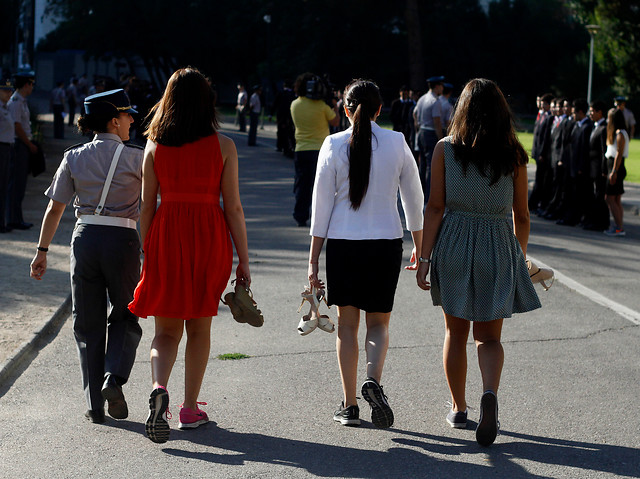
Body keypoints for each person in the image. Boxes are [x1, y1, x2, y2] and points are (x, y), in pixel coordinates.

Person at [127, 67, 251, 443]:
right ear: (207, 102)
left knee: (165, 331)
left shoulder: (154, 145)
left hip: (166, 234)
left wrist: (145, 250)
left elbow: (146, 206)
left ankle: (157, 388)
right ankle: (190, 408)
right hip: (209, 236)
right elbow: (233, 208)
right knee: (199, 327)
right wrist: (243, 259)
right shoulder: (224, 146)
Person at [416, 79, 541, 447]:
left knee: (455, 333)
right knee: (488, 337)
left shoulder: (445, 149)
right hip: (497, 244)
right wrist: (517, 255)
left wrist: (424, 256)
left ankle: (458, 408)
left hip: (454, 241)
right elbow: (523, 214)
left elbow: (435, 207)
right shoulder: (514, 154)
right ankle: (490, 393)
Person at [308, 79, 423, 428]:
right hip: (386, 243)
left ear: (345, 109)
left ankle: (349, 404)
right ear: (379, 110)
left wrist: (313, 261)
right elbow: (413, 200)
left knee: (347, 327)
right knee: (378, 322)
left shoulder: (332, 144)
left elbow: (320, 207)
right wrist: (420, 245)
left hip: (343, 245)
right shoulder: (397, 142)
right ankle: (373, 379)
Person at [29, 89, 144, 424]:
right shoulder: (138, 157)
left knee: (87, 323)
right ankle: (114, 377)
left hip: (85, 240)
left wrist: (42, 251)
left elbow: (55, 208)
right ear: (113, 120)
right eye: (127, 115)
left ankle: (94, 405)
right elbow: (152, 206)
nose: (132, 120)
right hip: (123, 240)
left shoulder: (74, 156)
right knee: (124, 314)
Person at [290, 72, 340, 227]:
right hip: (320, 150)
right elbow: (336, 122)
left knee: (302, 184)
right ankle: (321, 218)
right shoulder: (322, 107)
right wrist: (335, 107)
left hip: (301, 149)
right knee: (321, 185)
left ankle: (300, 215)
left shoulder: (295, 105)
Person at [7, 70, 37, 230]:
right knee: (16, 184)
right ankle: (12, 218)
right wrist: (29, 144)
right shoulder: (16, 102)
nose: (32, 87)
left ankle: (16, 217)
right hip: (19, 145)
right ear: (26, 84)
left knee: (20, 184)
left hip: (22, 144)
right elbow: (17, 126)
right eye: (31, 84)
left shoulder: (21, 101)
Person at [557, 98, 593, 226]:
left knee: (578, 196)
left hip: (580, 168)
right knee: (571, 194)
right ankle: (570, 217)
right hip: (572, 166)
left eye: (574, 113)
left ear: (581, 112)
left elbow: (584, 150)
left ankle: (576, 218)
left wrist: (581, 167)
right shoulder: (577, 125)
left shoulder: (587, 127)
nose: (572, 115)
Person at [413, 75, 445, 202]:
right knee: (431, 167)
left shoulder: (422, 99)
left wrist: (418, 127)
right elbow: (437, 122)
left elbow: (414, 113)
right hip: (431, 133)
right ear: (437, 86)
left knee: (422, 165)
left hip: (421, 132)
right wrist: (440, 139)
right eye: (441, 85)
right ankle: (428, 196)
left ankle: (419, 193)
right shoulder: (435, 101)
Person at [583, 100, 610, 231]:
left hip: (599, 169)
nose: (590, 113)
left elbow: (603, 151)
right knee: (595, 196)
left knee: (599, 196)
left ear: (600, 112)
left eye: (593, 111)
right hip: (592, 168)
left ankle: (601, 223)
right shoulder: (595, 126)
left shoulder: (604, 128)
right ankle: (595, 220)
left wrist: (603, 170)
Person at [603, 108, 628, 236]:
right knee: (616, 199)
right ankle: (619, 226)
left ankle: (619, 227)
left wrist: (614, 171)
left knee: (610, 198)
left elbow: (619, 154)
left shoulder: (620, 134)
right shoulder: (617, 132)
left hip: (616, 167)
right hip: (612, 166)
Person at [528, 93, 553, 214]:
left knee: (542, 180)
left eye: (544, 105)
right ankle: (534, 203)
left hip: (544, 154)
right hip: (538, 152)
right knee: (539, 179)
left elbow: (545, 138)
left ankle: (536, 204)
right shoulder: (542, 116)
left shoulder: (549, 118)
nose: (542, 107)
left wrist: (542, 153)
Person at [0, 79, 15, 233]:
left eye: (10, 91)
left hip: (6, 148)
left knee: (3, 186)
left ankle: (2, 222)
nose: (8, 93)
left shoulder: (6, 107)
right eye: (5, 90)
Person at [270, 80, 295, 158]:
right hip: (291, 116)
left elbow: (275, 104)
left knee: (281, 132)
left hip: (281, 116)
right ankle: (290, 147)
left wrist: (271, 114)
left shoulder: (281, 93)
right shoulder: (293, 94)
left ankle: (282, 146)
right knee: (290, 133)